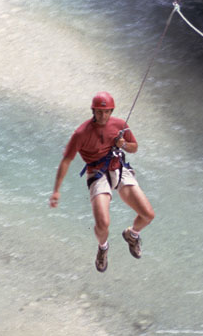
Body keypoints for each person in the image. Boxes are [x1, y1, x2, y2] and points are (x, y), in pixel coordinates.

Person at [49, 91, 155, 273]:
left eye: (107, 112)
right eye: (99, 112)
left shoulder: (120, 125)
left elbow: (134, 148)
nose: (103, 116)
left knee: (148, 215)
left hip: (118, 168)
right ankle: (103, 248)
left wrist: (122, 144)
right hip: (97, 173)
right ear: (93, 111)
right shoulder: (81, 134)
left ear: (112, 111)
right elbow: (66, 160)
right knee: (103, 223)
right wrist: (56, 190)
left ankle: (132, 234)